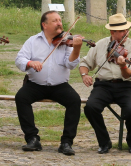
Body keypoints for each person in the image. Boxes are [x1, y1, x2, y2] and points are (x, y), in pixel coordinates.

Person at [15, 11, 83, 156]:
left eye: (60, 20)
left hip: (60, 85)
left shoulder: (67, 41)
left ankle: (66, 142)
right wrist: (30, 62)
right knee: (21, 97)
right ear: (44, 25)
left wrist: (76, 49)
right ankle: (32, 138)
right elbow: (19, 59)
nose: (59, 23)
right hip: (35, 84)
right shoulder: (33, 41)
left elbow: (70, 64)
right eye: (55, 21)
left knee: (74, 100)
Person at [79, 13, 131, 154]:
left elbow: (129, 74)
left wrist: (123, 66)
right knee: (90, 107)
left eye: (125, 30)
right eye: (120, 31)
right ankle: (104, 141)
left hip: (126, 86)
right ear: (112, 32)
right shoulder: (101, 44)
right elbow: (85, 63)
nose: (125, 33)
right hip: (103, 85)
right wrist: (85, 75)